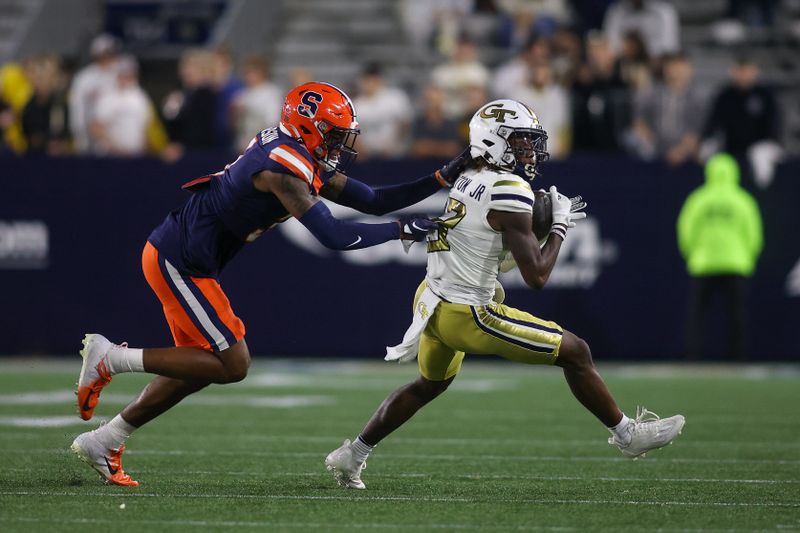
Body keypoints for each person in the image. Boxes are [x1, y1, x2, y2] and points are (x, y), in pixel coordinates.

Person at [70, 81, 470, 486]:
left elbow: (374, 200)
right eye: (333, 135)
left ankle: (105, 440)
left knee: (199, 366)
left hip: (190, 259)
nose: (341, 146)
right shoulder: (284, 168)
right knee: (233, 363)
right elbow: (335, 236)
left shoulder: (296, 151)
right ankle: (110, 358)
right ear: (308, 127)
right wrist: (401, 232)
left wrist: (439, 176)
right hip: (180, 260)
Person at [324, 99, 685, 489]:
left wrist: (537, 230)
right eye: (521, 142)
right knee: (577, 352)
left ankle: (353, 454)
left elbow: (488, 246)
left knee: (429, 384)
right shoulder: (510, 188)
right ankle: (628, 435)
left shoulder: (470, 174)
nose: (530, 150)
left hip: (432, 299)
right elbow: (537, 277)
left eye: (531, 141)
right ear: (495, 142)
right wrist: (559, 228)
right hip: (469, 313)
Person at [677, 153, 763, 360]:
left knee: (698, 315)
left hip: (704, 263)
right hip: (735, 263)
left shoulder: (698, 199)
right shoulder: (743, 200)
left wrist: (692, 254)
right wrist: (748, 257)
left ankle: (693, 355)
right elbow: (754, 233)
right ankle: (738, 357)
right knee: (736, 314)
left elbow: (686, 230)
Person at [68, 33, 121, 154]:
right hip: (88, 136)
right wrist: (79, 135)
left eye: (110, 52)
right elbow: (77, 107)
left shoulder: (120, 74)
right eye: (104, 53)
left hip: (115, 136)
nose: (107, 56)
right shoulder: (83, 77)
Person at [91, 56, 151, 157]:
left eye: (130, 74)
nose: (126, 78)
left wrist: (144, 148)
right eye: (123, 74)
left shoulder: (140, 97)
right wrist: (115, 148)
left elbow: (145, 128)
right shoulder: (108, 97)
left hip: (136, 155)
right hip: (112, 155)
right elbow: (96, 127)